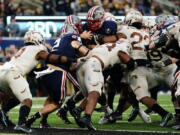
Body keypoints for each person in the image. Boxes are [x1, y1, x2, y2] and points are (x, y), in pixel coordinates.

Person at [0, 30, 73, 133]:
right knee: (27, 100)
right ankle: (21, 125)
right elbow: (51, 58)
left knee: (16, 98)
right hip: (13, 73)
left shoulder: (24, 48)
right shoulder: (38, 49)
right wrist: (67, 59)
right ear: (38, 39)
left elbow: (29, 71)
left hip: (2, 73)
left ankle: (3, 113)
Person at [25, 24, 90, 129]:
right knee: (57, 103)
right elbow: (86, 52)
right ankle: (31, 119)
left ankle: (43, 121)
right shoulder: (73, 39)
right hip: (57, 72)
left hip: (46, 71)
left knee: (51, 98)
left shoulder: (59, 41)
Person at [73, 38, 135, 130]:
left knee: (91, 94)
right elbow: (129, 61)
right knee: (95, 93)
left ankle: (77, 110)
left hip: (81, 64)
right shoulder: (122, 49)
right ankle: (87, 117)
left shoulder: (106, 46)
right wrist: (132, 64)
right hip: (94, 64)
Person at [149, 14, 180, 129]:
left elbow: (176, 56)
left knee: (178, 93)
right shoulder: (172, 36)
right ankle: (178, 118)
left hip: (174, 68)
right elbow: (176, 56)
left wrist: (162, 63)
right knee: (175, 91)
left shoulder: (173, 31)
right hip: (174, 67)